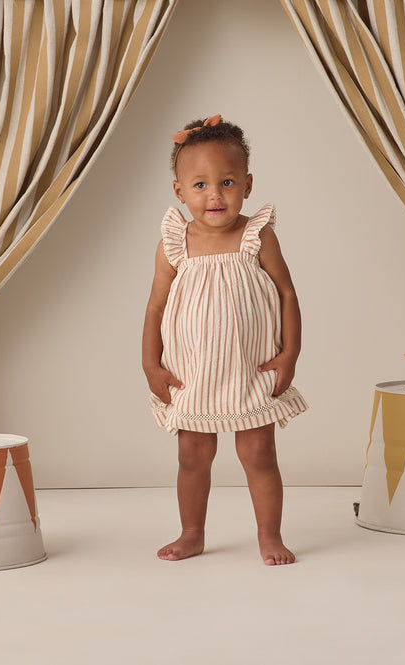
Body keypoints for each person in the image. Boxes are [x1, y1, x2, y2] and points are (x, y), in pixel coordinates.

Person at [142, 115, 307, 565]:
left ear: (247, 185)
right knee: (192, 457)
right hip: (193, 372)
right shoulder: (174, 244)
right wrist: (151, 365)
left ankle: (270, 536)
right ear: (179, 191)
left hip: (250, 370)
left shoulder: (257, 236)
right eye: (200, 185)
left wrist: (289, 354)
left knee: (259, 454)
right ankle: (192, 533)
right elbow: (155, 308)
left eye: (227, 182)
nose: (214, 195)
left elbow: (287, 293)